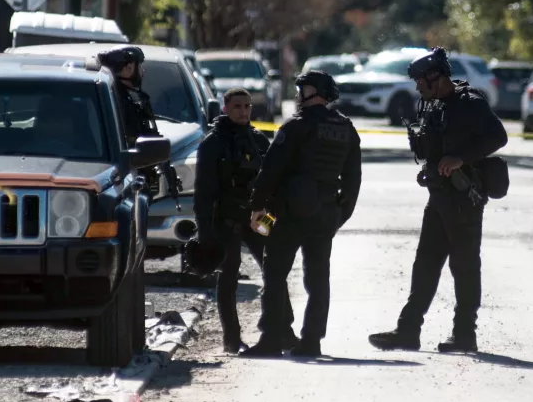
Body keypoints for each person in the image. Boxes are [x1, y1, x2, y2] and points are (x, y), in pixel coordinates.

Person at [368, 47, 508, 354]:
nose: (417, 86)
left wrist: (460, 158)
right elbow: (432, 149)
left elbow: (498, 137)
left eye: (421, 80)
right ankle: (407, 331)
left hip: (463, 198)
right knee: (426, 264)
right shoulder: (433, 106)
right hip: (439, 197)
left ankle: (464, 335)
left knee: (465, 266)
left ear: (435, 76)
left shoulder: (469, 104)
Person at [241, 71, 362, 358]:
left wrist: (257, 206)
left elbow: (271, 170)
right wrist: (339, 216)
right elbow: (353, 180)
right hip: (325, 215)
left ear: (313, 91)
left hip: (289, 215)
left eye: (302, 89)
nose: (297, 96)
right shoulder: (346, 128)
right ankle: (311, 341)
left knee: (274, 273)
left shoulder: (296, 127)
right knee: (318, 279)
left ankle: (271, 339)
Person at [192, 88, 299, 354]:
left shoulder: (258, 140)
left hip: (258, 218)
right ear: (225, 108)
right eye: (238, 106)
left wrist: (278, 218)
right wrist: (205, 233)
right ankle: (232, 339)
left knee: (274, 271)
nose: (243, 111)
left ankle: (284, 331)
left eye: (247, 106)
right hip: (226, 220)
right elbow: (203, 193)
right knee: (228, 278)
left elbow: (274, 182)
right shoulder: (212, 144)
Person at [98, 45, 182, 206]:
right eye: (139, 66)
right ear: (129, 68)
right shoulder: (118, 102)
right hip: (125, 180)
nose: (142, 72)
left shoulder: (130, 99)